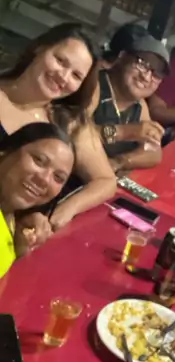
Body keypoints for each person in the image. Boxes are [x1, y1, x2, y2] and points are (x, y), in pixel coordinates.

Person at [0, 23, 116, 230]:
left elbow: (106, 180)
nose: (63, 77)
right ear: (40, 47)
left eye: (76, 75)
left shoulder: (68, 122)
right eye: (60, 61)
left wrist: (63, 211)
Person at [89, 26, 169, 175]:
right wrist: (126, 132)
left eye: (156, 74)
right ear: (123, 56)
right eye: (142, 64)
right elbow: (72, 136)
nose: (146, 77)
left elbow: (154, 152)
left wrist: (119, 162)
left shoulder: (140, 104)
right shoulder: (95, 86)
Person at [0, 123, 75, 277]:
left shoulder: (12, 219)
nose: (44, 179)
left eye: (58, 177)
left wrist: (20, 249)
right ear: (6, 151)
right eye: (38, 160)